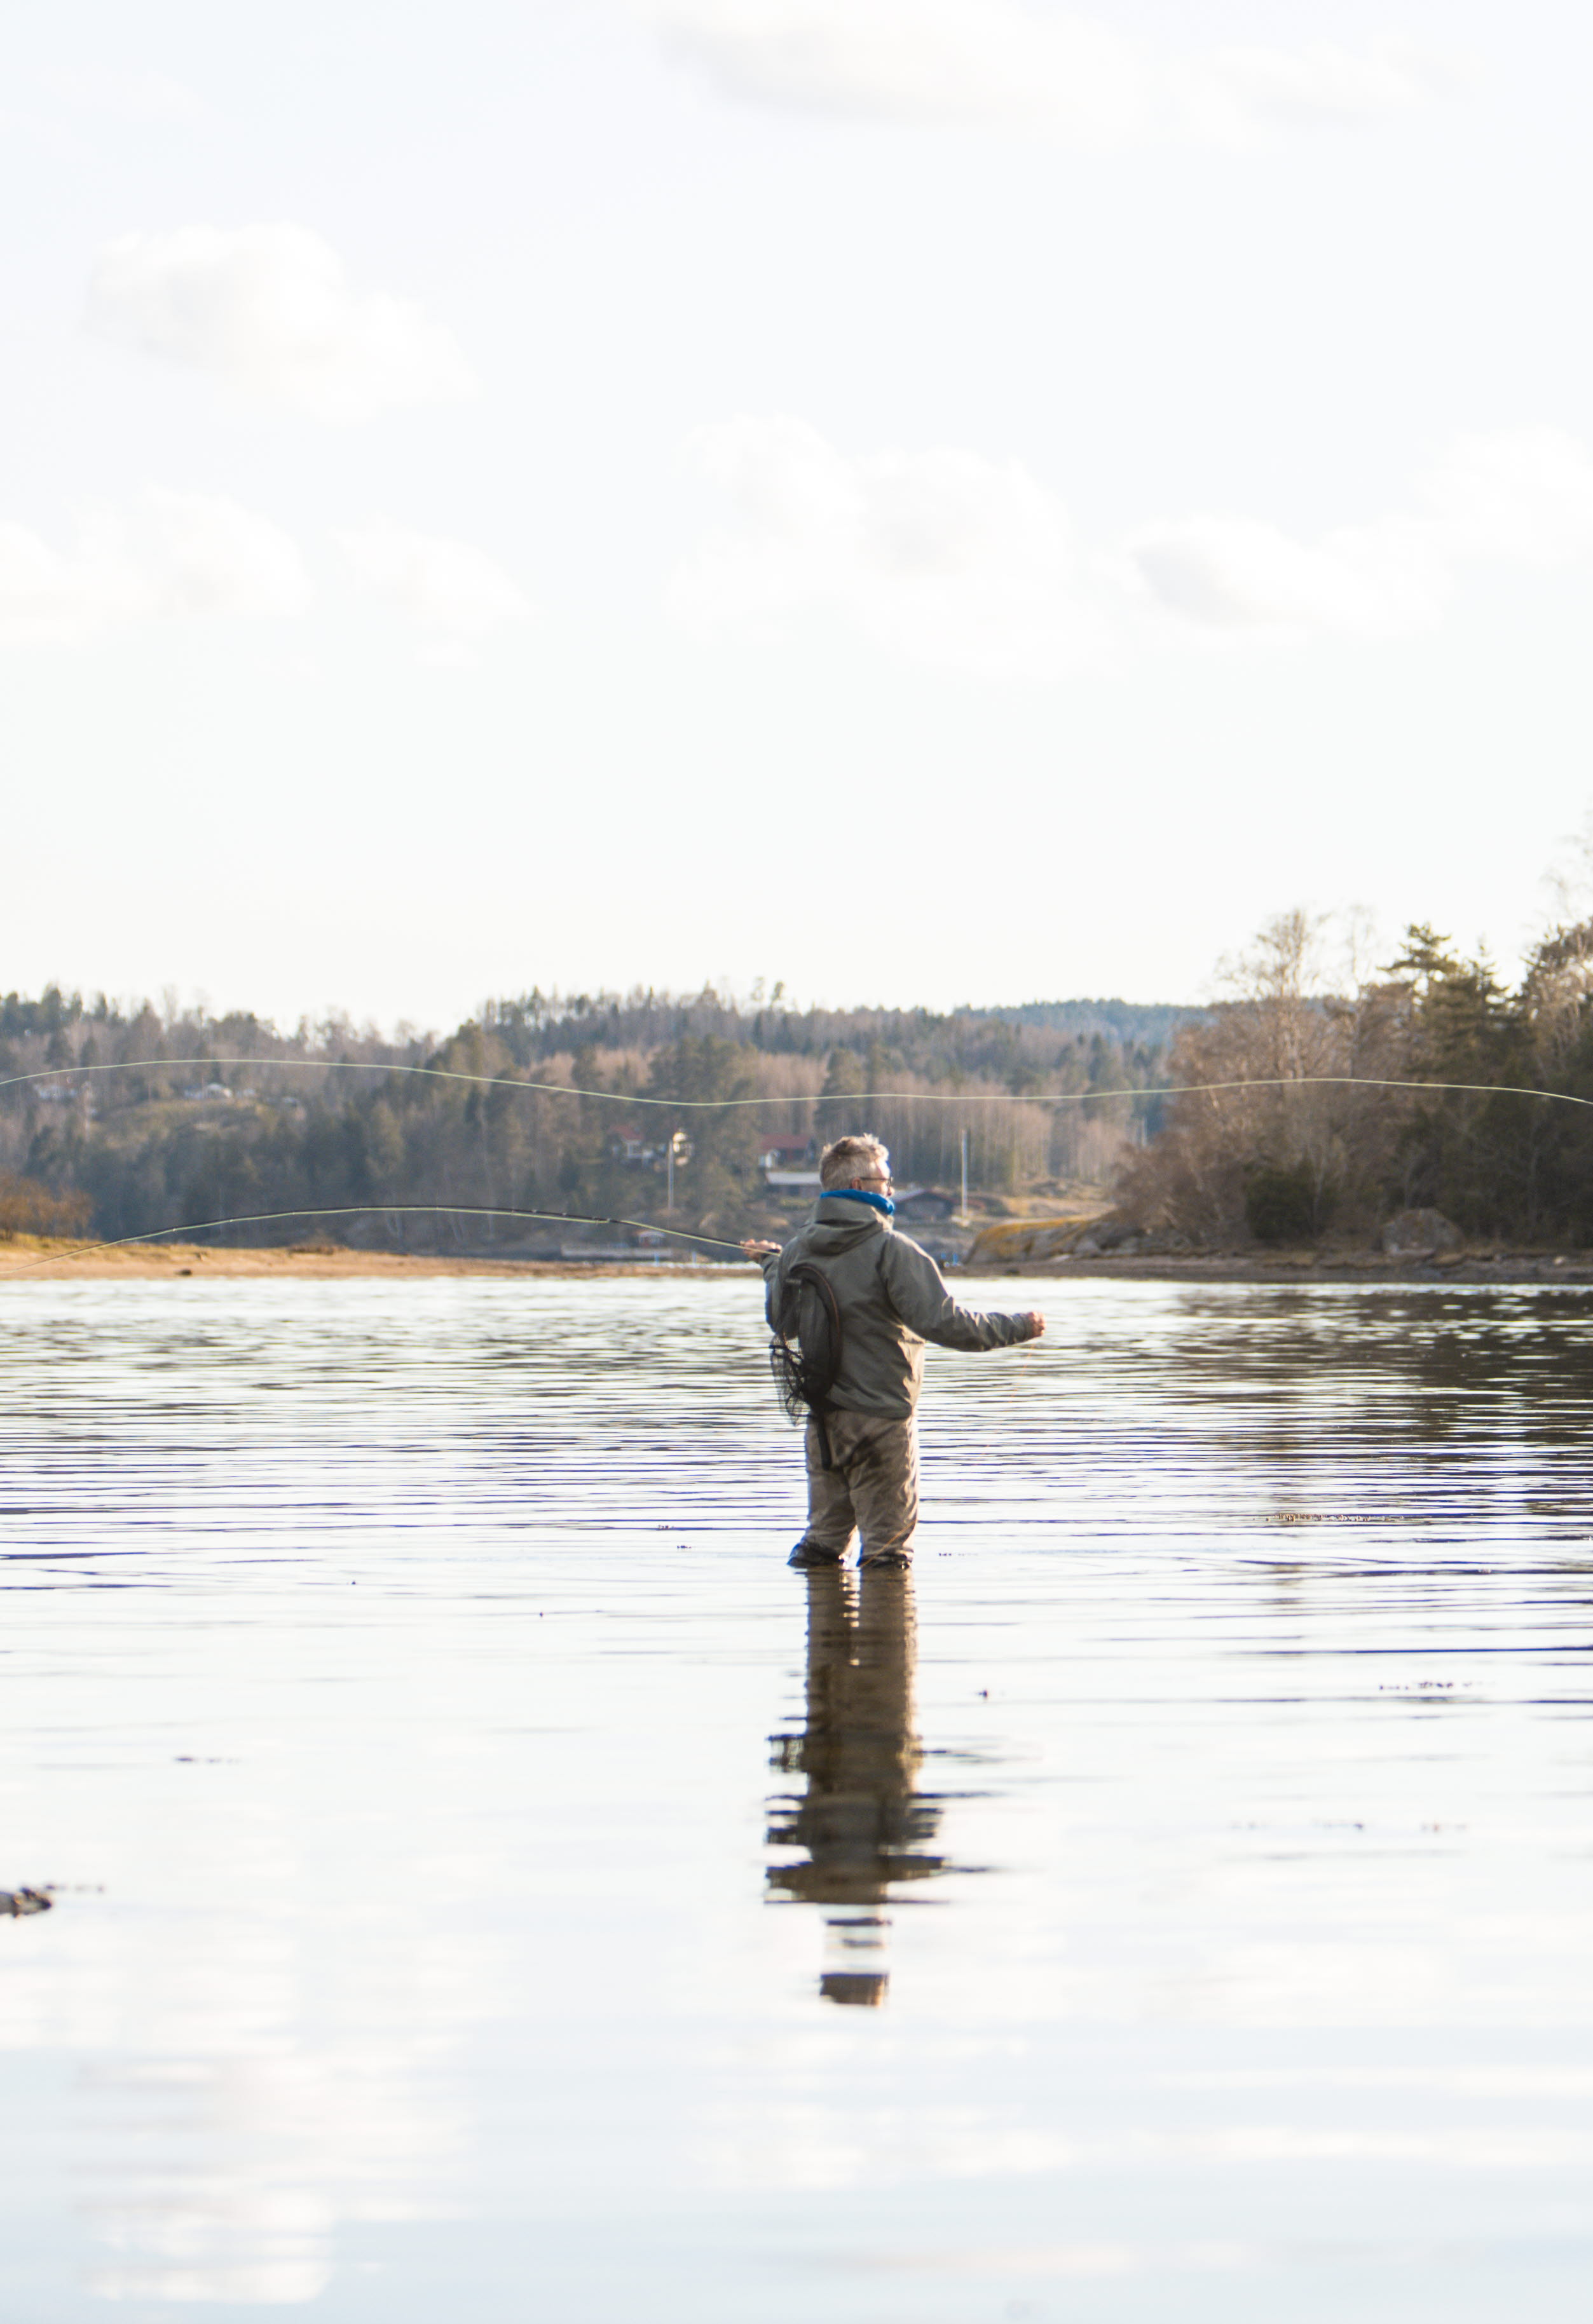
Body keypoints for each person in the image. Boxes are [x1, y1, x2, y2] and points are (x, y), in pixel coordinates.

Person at [743, 1134, 1044, 1572]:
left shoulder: (795, 1252)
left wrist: (772, 1265)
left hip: (824, 1425)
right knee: (889, 1556)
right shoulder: (892, 1250)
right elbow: (948, 1324)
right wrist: (1019, 1326)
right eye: (887, 1181)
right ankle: (886, 1633)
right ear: (863, 1185)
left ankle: (822, 1631)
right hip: (883, 1424)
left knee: (822, 1547)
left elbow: (782, 1322)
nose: (892, 1190)